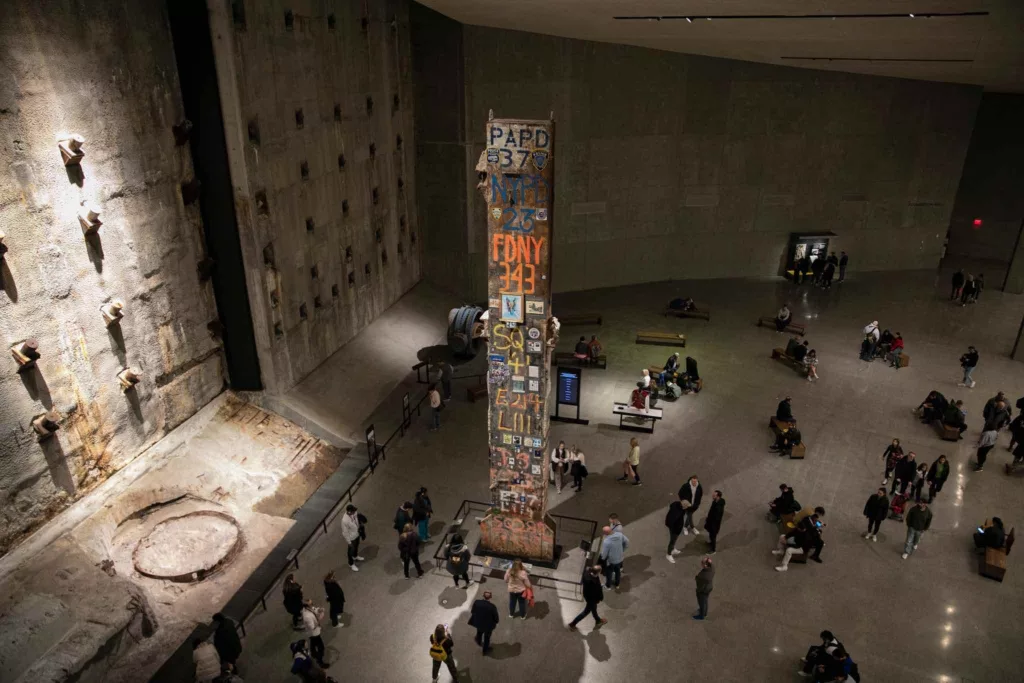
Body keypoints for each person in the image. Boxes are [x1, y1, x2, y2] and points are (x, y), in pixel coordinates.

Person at [568, 565, 608, 631]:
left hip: (587, 595)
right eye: (600, 572)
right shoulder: (594, 584)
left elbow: (588, 568)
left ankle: (598, 620)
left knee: (593, 609)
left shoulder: (587, 573)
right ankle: (573, 624)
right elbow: (598, 592)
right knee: (586, 612)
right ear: (597, 573)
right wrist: (600, 598)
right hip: (592, 599)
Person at [599, 515, 629, 591]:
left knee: (609, 574)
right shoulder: (619, 535)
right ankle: (617, 584)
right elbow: (627, 542)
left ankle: (608, 586)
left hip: (611, 561)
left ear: (605, 533)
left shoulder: (607, 541)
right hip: (620, 558)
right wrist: (622, 550)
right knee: (618, 572)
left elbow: (604, 554)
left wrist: (602, 559)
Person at [300, 599, 327, 668]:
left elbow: (314, 609)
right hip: (314, 633)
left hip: (311, 633)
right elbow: (312, 627)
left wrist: (319, 610)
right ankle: (320, 661)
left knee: (313, 643)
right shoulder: (307, 617)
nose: (312, 605)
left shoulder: (307, 609)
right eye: (311, 604)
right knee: (321, 647)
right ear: (307, 606)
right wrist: (319, 619)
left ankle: (314, 653)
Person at [664, 496, 688, 563]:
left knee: (673, 540)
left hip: (676, 528)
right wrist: (673, 529)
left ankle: (673, 549)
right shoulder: (678, 512)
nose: (687, 508)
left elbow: (671, 505)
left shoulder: (676, 504)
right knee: (672, 541)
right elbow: (670, 521)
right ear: (683, 506)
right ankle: (668, 554)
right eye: (686, 507)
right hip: (675, 530)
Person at [341, 504, 364, 571]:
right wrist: (349, 542)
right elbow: (345, 532)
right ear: (349, 512)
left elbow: (356, 519)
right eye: (353, 511)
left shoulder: (354, 513)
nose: (355, 512)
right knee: (350, 551)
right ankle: (351, 564)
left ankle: (355, 556)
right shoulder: (344, 520)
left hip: (357, 534)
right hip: (351, 538)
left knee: (356, 546)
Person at [693, 555, 714, 621]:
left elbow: (699, 583)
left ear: (705, 565)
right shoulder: (712, 568)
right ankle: (704, 612)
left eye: (702, 563)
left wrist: (698, 590)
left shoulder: (703, 576)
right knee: (705, 601)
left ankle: (701, 615)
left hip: (703, 590)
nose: (701, 564)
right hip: (709, 588)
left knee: (702, 602)